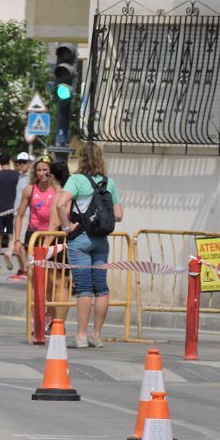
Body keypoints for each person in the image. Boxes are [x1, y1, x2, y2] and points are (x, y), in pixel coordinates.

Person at [53, 142, 124, 349]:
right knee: (101, 288)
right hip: (101, 241)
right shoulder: (108, 183)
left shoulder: (76, 181)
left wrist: (66, 226)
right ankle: (97, 335)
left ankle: (82, 336)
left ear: (81, 158)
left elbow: (60, 204)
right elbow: (118, 214)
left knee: (84, 289)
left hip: (80, 239)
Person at [13, 156, 55, 260]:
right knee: (34, 272)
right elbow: (19, 216)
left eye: (45, 170)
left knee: (52, 274)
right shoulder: (29, 189)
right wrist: (17, 240)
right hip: (34, 236)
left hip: (53, 236)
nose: (41, 173)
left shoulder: (58, 189)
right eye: (38, 170)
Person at [9, 152, 31, 281]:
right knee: (18, 242)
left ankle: (26, 269)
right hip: (17, 214)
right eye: (19, 162)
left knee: (20, 243)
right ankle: (23, 268)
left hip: (25, 215)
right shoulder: (20, 177)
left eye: (24, 162)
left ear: (28, 163)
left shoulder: (29, 178)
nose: (21, 165)